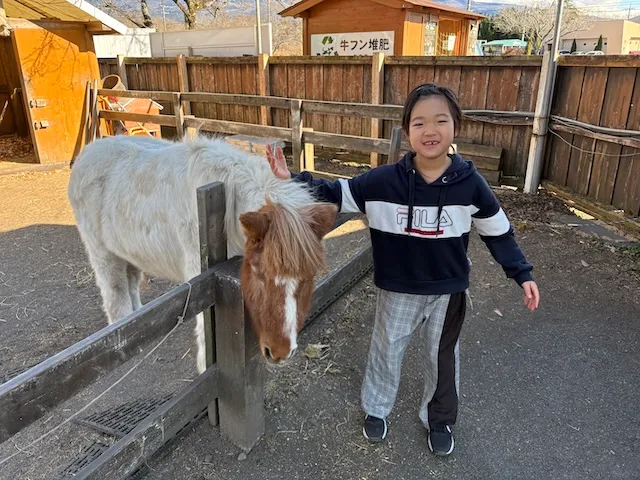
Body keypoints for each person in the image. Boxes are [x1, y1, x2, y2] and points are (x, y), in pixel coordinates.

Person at [266, 83, 540, 456]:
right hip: (397, 289)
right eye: (419, 122)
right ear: (407, 130)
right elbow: (334, 193)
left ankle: (439, 418)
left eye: (440, 121)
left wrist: (521, 273)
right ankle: (377, 409)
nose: (430, 131)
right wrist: (291, 180)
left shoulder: (472, 186)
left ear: (455, 126)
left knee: (441, 357)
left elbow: (499, 233)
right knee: (386, 350)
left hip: (447, 292)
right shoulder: (381, 182)